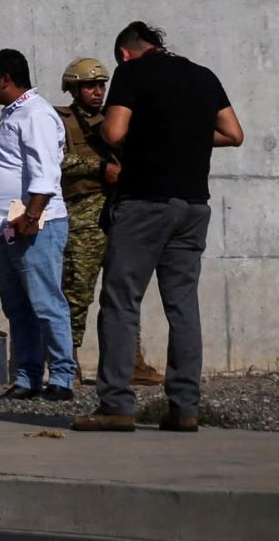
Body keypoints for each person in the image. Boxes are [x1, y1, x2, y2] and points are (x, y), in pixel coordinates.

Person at [75, 23, 245, 434]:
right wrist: (181, 134)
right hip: (193, 206)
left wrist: (116, 129)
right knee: (183, 305)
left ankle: (116, 405)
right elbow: (233, 134)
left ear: (124, 53)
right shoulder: (203, 75)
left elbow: (115, 131)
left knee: (121, 300)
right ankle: (185, 407)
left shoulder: (132, 73)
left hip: (145, 203)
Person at [0, 49, 75, 398]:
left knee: (46, 302)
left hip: (36, 224)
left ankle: (63, 377)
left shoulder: (36, 114)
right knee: (17, 305)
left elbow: (45, 171)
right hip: (8, 225)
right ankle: (27, 376)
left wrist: (32, 215)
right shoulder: (13, 114)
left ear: (6, 79)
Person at [56, 56, 118, 372]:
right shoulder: (60, 120)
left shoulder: (115, 119)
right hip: (82, 213)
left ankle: (128, 361)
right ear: (74, 88)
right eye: (89, 86)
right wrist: (99, 168)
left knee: (122, 293)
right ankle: (70, 361)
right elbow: (54, 159)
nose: (97, 91)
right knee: (77, 291)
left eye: (100, 85)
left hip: (118, 210)